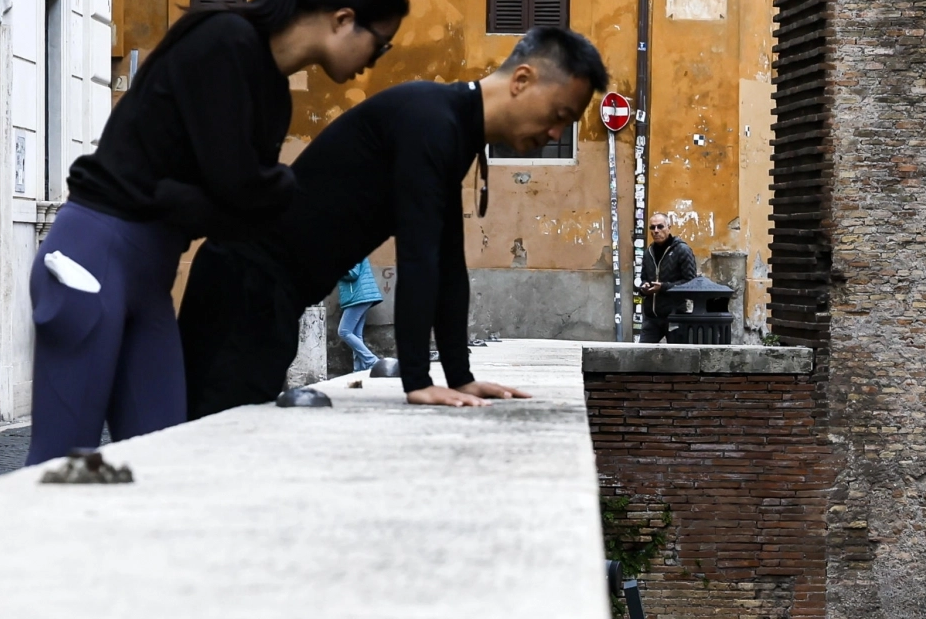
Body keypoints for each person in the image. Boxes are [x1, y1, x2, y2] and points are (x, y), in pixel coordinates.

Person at [26, 0, 410, 465]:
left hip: (149, 268)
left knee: (167, 458)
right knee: (61, 463)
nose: (371, 64)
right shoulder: (225, 42)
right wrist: (261, 188)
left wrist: (220, 192)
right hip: (94, 253)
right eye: (380, 46)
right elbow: (238, 188)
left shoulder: (273, 93)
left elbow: (243, 201)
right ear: (343, 20)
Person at [179, 24, 608, 413]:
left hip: (268, 294)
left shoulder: (451, 125)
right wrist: (418, 381)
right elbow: (418, 254)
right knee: (206, 446)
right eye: (559, 116)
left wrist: (461, 377)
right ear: (522, 80)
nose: (555, 134)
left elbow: (448, 263)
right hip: (242, 288)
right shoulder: (434, 121)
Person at [637, 212, 698, 343]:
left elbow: (691, 283)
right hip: (651, 317)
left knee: (678, 356)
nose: (656, 231)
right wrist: (644, 287)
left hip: (675, 316)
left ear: (669, 227)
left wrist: (663, 287)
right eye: (652, 228)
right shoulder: (649, 252)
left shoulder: (682, 250)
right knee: (641, 354)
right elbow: (643, 278)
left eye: (660, 227)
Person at [337, 259, 385, 373]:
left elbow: (353, 273)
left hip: (358, 296)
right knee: (355, 334)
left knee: (344, 331)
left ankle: (372, 361)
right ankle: (359, 369)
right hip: (359, 296)